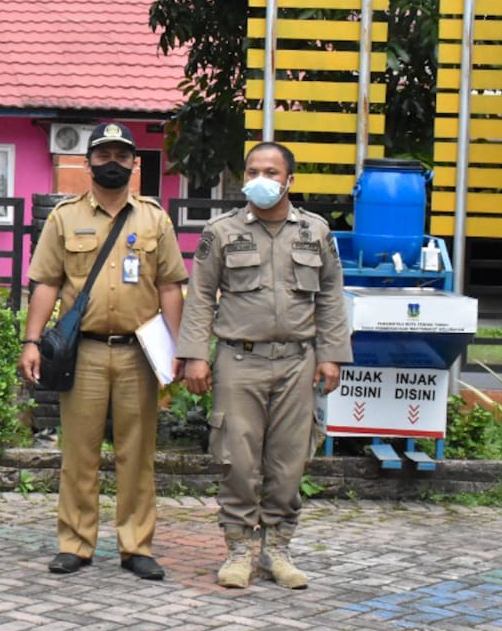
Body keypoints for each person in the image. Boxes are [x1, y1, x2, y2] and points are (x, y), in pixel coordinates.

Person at [177, 141, 352, 590]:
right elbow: (199, 295)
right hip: (239, 360)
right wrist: (195, 354)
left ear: (289, 180)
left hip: (298, 361)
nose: (261, 180)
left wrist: (332, 355)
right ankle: (237, 550)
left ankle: (277, 548)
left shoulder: (315, 232)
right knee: (236, 458)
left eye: (271, 172)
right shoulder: (221, 231)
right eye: (253, 171)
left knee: (289, 461)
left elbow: (331, 295)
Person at [20, 122, 188, 581]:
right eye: (103, 154)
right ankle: (76, 543)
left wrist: (178, 350)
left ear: (135, 162)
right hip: (86, 353)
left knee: (138, 454)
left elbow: (172, 286)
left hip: (140, 352)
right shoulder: (65, 218)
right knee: (80, 453)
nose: (112, 162)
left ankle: (137, 546)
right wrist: (32, 341)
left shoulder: (155, 218)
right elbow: (46, 284)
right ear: (88, 161)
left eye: (121, 155)